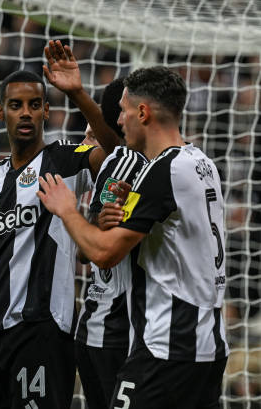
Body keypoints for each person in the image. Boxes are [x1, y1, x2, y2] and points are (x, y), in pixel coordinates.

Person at [37, 65, 229, 408]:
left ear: (142, 113)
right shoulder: (202, 163)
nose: (118, 120)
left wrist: (66, 209)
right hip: (208, 345)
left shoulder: (163, 171)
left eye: (123, 111)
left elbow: (103, 253)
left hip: (167, 349)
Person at [0, 39, 120, 408]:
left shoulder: (64, 159)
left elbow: (116, 151)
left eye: (34, 105)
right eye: (16, 105)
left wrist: (78, 93)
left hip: (41, 329)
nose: (26, 113)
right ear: (0, 111)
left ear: (46, 111)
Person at [73, 77, 148, 409]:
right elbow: (88, 249)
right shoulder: (123, 162)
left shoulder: (138, 162)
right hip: (113, 330)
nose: (86, 144)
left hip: (111, 330)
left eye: (93, 136)